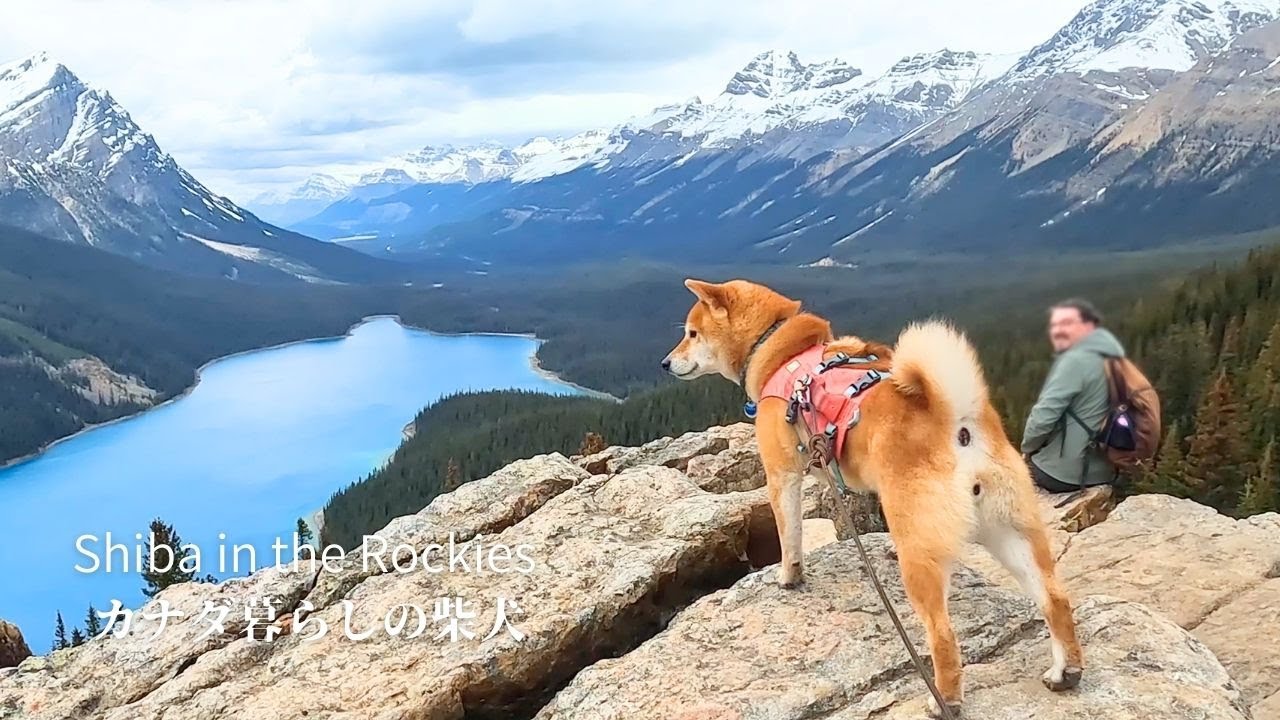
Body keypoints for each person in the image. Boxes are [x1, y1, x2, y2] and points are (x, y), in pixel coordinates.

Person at [1022, 299, 1125, 492]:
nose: (1058, 331)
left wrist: (1026, 449)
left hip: (1062, 474)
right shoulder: (1113, 358)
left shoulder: (1075, 362)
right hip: (1106, 471)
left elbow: (1043, 417)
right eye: (1055, 325)